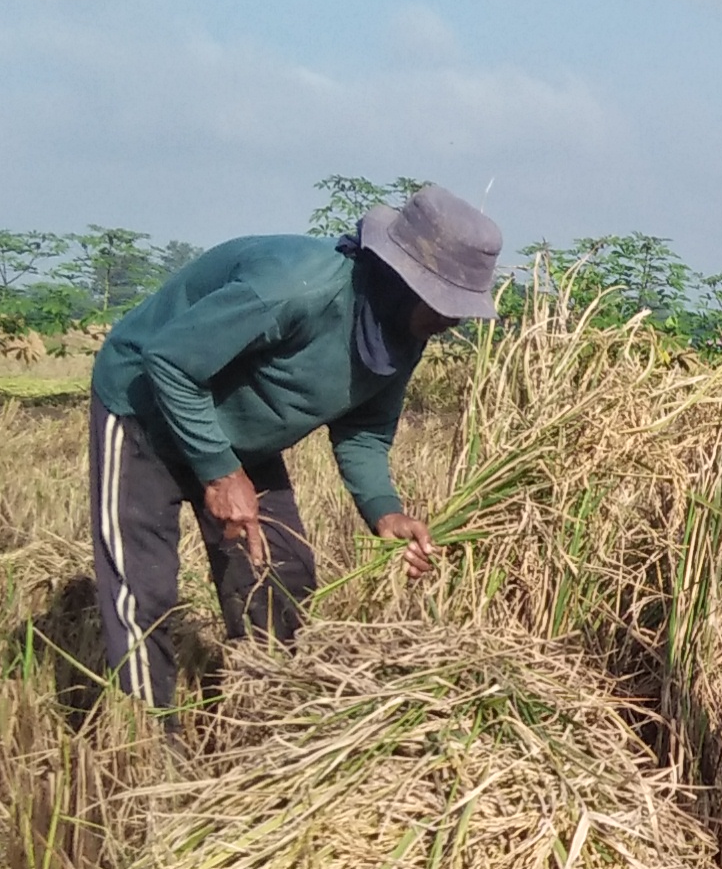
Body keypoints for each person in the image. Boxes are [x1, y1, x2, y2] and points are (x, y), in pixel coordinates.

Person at [84, 185, 502, 702]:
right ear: (399, 278)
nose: (451, 320)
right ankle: (147, 731)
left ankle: (265, 712)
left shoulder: (402, 334)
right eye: (443, 301)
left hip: (241, 434)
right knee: (143, 590)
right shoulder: (293, 288)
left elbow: (365, 431)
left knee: (282, 579)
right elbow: (169, 361)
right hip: (142, 408)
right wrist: (219, 472)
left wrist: (385, 512)